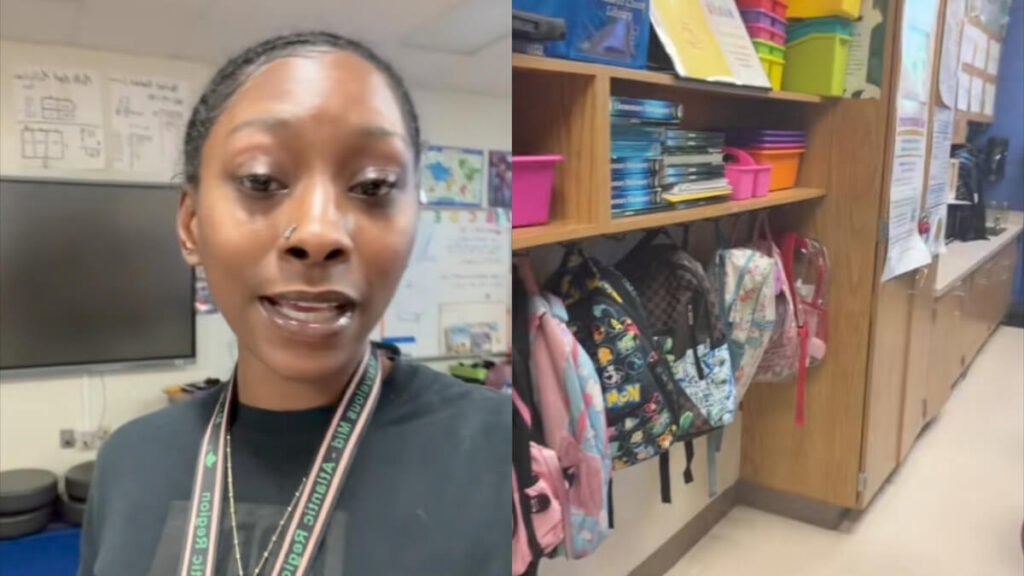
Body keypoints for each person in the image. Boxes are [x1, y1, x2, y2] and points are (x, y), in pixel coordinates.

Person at [77, 31, 511, 576]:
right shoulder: (128, 462)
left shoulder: (497, 451)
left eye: (374, 186)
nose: (318, 233)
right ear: (191, 224)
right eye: (261, 181)